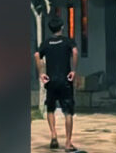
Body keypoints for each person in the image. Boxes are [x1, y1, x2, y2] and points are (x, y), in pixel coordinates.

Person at [34, 17, 79, 152]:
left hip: (51, 81)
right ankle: (68, 143)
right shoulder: (67, 41)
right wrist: (73, 70)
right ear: (62, 27)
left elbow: (36, 55)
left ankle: (53, 135)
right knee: (68, 112)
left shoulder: (46, 43)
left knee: (50, 109)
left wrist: (41, 73)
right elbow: (75, 52)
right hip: (65, 80)